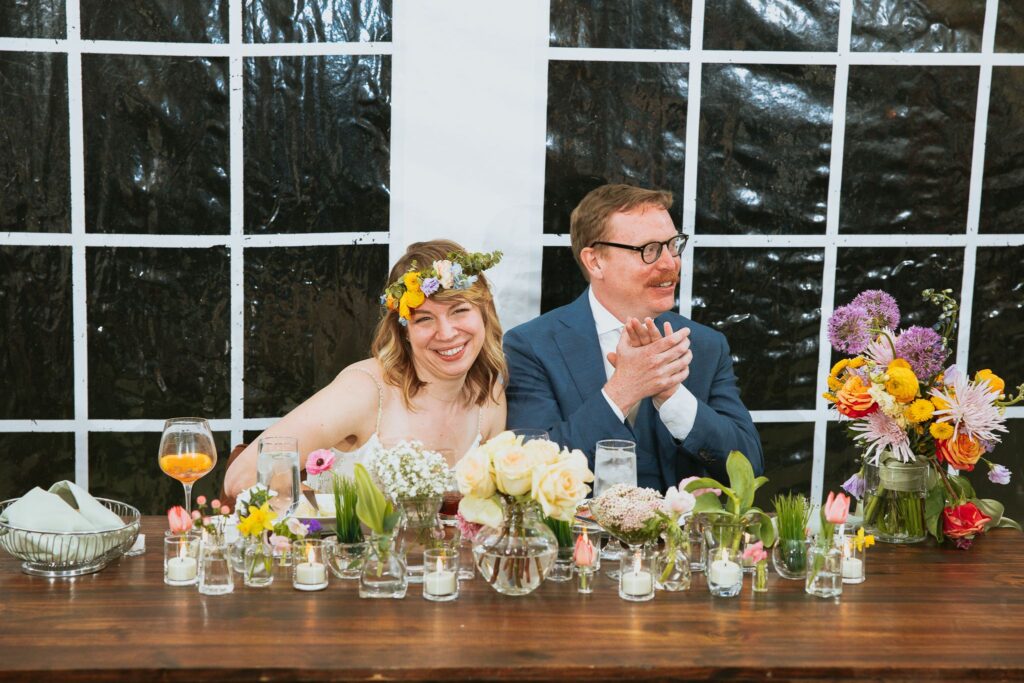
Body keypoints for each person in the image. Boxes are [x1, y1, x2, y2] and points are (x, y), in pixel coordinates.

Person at [504, 184, 762, 491]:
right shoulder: (532, 346)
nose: (670, 263)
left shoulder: (705, 345)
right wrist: (622, 391)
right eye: (649, 250)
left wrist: (673, 396)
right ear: (595, 261)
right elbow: (531, 472)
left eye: (673, 245)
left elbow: (748, 468)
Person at [223, 240, 507, 499]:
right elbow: (241, 476)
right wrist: (329, 514)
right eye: (424, 319)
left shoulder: (489, 395)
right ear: (404, 331)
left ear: (484, 312)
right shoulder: (365, 391)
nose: (446, 333)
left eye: (459, 311)